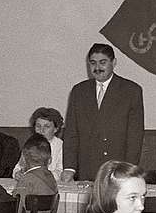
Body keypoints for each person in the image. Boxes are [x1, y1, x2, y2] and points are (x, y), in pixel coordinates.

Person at [61, 43, 144, 182]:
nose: (97, 67)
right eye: (93, 63)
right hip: (86, 168)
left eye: (103, 62)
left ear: (114, 62)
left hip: (117, 169)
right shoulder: (79, 91)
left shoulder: (131, 90)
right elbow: (71, 133)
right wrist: (69, 168)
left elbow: (135, 136)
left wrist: (128, 170)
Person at [15, 107, 65, 180]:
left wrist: (39, 175)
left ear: (55, 129)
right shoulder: (30, 143)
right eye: (38, 126)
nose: (41, 130)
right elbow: (19, 166)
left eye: (47, 126)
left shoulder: (61, 146)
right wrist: (17, 173)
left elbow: (61, 172)